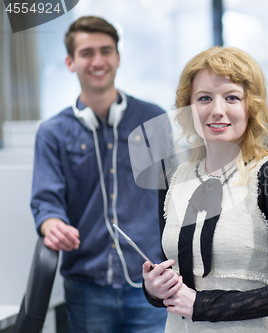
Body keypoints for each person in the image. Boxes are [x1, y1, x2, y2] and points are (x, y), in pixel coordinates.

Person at [142, 46, 268, 332]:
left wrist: (203, 306)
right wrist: (154, 289)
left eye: (232, 98)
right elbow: (171, 273)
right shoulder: (175, 176)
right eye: (204, 98)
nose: (217, 110)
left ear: (252, 107)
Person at [30, 16, 175, 332]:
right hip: (87, 286)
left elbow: (174, 195)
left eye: (106, 51)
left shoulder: (152, 120)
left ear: (118, 57)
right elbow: (46, 202)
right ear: (70, 62)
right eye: (87, 53)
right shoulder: (52, 132)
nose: (98, 61)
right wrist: (52, 225)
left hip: (149, 283)